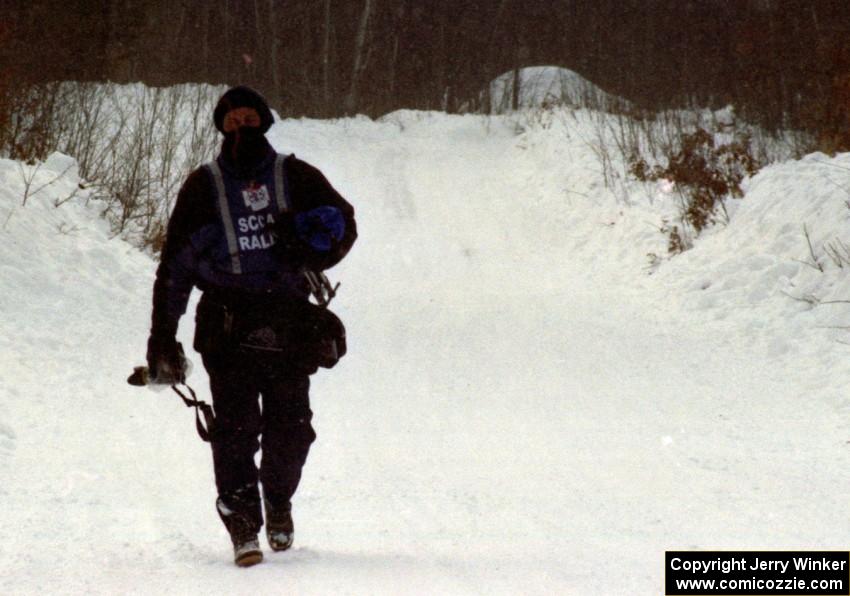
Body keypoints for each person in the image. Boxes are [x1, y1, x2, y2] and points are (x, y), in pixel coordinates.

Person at [145, 86, 357, 567]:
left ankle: (278, 500)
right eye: (233, 119)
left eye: (250, 117)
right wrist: (162, 333)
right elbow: (175, 266)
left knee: (292, 430)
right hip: (227, 321)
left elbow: (343, 224)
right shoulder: (203, 186)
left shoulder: (296, 175)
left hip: (288, 319)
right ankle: (242, 522)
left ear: (265, 122)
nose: (242, 126)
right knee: (236, 432)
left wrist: (309, 248)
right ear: (221, 127)